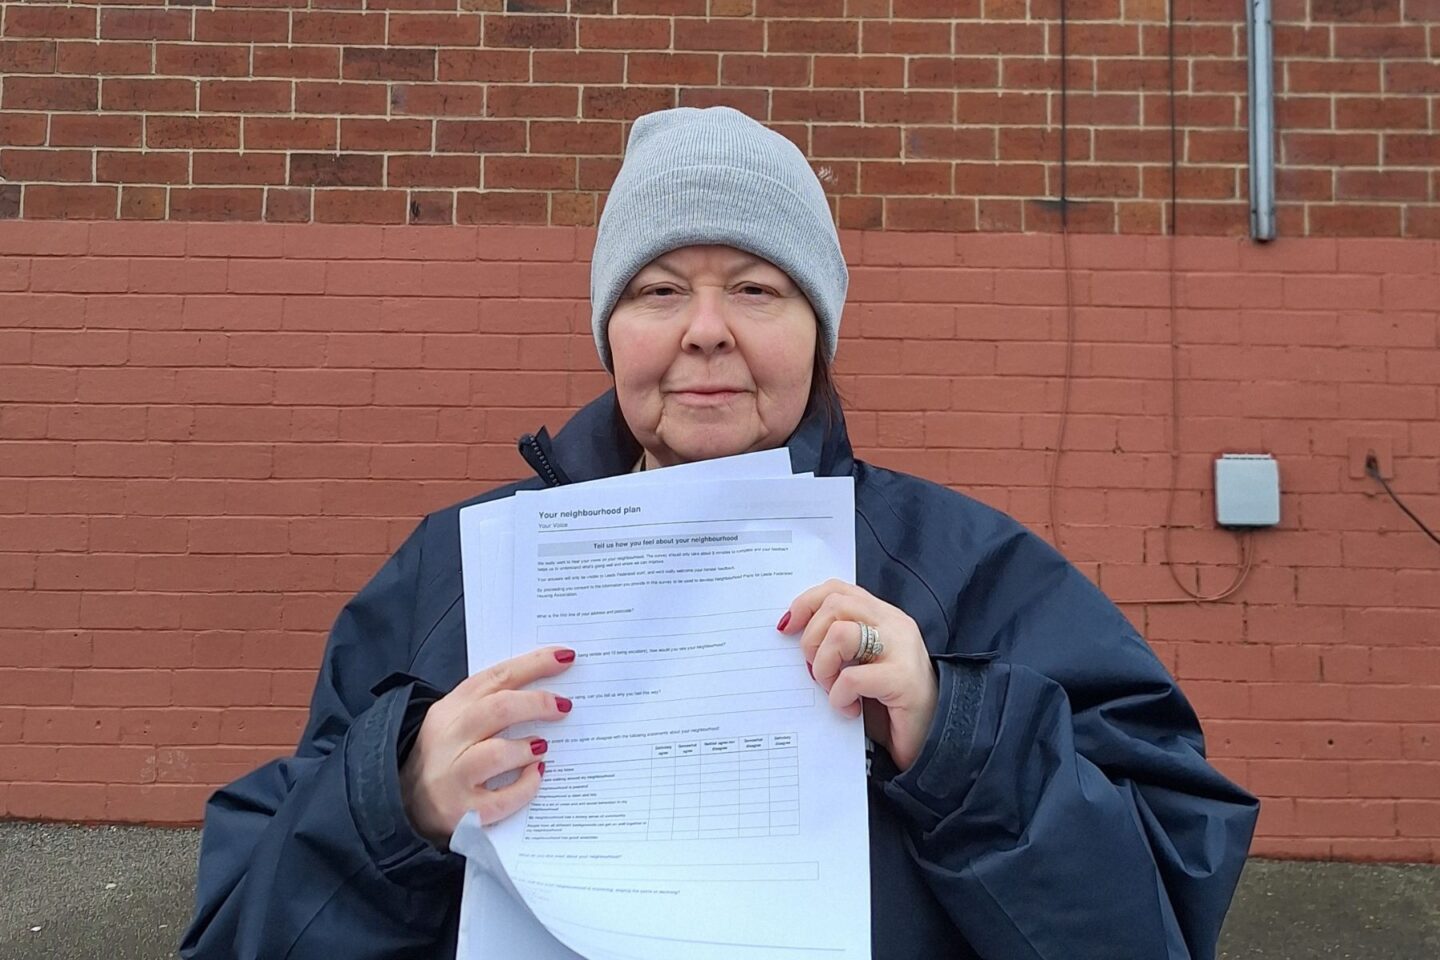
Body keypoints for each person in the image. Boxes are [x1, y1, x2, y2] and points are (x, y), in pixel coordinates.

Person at [180, 106, 1258, 960]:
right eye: (657, 289)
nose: (705, 329)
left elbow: (1153, 917)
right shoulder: (453, 575)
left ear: (818, 332)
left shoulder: (976, 576)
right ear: (610, 332)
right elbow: (238, 928)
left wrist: (955, 730)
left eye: (755, 286)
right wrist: (398, 805)